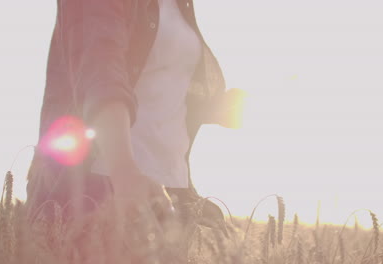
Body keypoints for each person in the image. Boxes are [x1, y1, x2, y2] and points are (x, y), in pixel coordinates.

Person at [25, 0, 245, 241]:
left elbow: (165, 89)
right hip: (106, 190)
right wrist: (124, 171)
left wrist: (223, 106)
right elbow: (101, 74)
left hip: (170, 193)